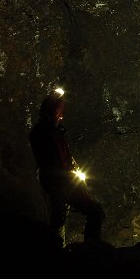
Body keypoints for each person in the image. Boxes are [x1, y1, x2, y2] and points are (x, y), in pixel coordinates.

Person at [29, 88, 105, 247]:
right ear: (50, 112)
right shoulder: (44, 133)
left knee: (59, 216)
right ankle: (87, 250)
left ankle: (57, 248)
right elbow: (53, 161)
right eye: (59, 112)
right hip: (59, 182)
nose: (61, 116)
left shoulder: (52, 131)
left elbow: (64, 157)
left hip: (59, 181)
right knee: (94, 212)